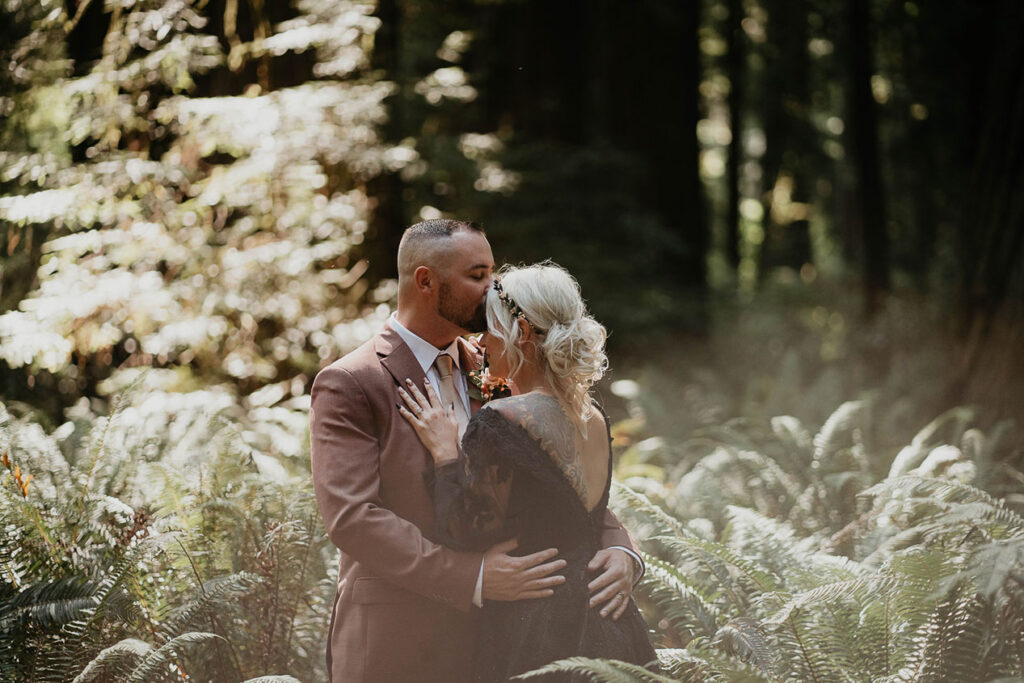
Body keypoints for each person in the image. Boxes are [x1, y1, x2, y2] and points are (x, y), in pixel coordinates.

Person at [310, 220, 644, 682]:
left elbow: (555, 479)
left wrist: (621, 549)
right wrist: (475, 578)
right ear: (426, 281)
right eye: (478, 275)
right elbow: (352, 518)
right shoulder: (352, 382)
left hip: (508, 644)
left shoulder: (501, 365)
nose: (493, 289)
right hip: (403, 642)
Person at [397, 262, 658, 681]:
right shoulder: (593, 417)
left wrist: (446, 455)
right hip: (606, 619)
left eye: (490, 328)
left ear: (519, 333)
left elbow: (466, 528)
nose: (480, 340)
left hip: (540, 628)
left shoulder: (503, 418)